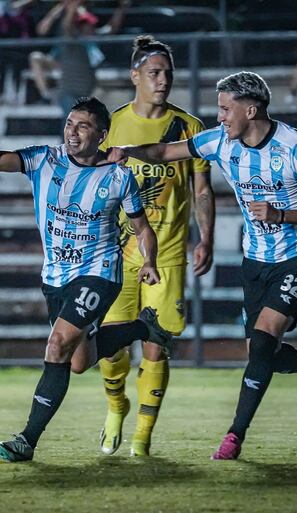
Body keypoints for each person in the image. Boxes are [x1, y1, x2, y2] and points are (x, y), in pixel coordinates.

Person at [108, 71, 297, 460]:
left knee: (266, 337)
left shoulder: (296, 146)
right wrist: (127, 150)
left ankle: (234, 436)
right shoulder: (220, 142)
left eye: (224, 109)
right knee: (259, 352)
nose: (219, 117)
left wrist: (281, 214)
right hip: (255, 259)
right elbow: (168, 152)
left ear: (250, 109)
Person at [0, 96, 174, 462]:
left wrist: (149, 260)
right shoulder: (44, 159)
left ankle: (26, 440)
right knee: (77, 362)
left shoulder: (119, 176)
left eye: (83, 125)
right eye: (70, 123)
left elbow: (142, 227)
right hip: (56, 276)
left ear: (101, 135)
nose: (72, 132)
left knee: (56, 346)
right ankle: (142, 328)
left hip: (99, 273)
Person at [78, 35, 215, 458]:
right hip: (117, 252)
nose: (162, 81)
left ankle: (142, 434)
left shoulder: (189, 126)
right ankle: (116, 406)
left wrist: (205, 237)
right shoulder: (113, 124)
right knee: (113, 346)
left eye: (168, 74)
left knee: (157, 343)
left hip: (169, 251)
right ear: (134, 75)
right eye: (154, 73)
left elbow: (203, 189)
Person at [28, 0, 128, 108]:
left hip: (86, 91)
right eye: (84, 24)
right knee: (36, 57)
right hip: (69, 89)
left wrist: (122, 8)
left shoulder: (91, 37)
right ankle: (46, 96)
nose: (88, 26)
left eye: (89, 24)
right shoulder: (71, 37)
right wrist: (70, 7)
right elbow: (63, 27)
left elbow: (111, 29)